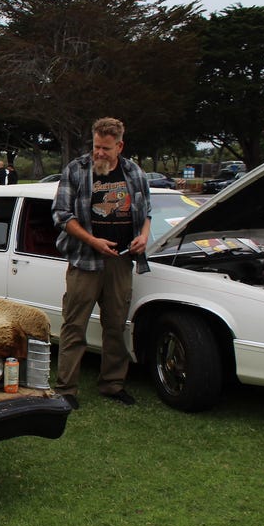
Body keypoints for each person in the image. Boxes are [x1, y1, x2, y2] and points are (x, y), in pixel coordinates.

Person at [51, 117, 152, 410]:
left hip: (121, 262)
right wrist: (92, 241)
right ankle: (66, 389)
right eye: (96, 147)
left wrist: (143, 236)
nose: (99, 153)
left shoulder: (134, 172)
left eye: (106, 148)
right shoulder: (77, 170)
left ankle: (112, 384)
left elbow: (146, 212)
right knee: (74, 325)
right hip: (85, 261)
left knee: (116, 325)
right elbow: (61, 216)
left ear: (119, 145)